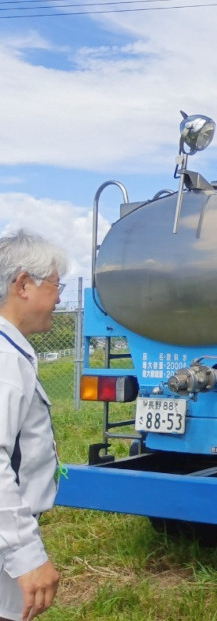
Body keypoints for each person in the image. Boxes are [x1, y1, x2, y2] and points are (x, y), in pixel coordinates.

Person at [0, 230, 65, 621]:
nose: (59, 297)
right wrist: (26, 555)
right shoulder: (5, 363)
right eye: (55, 285)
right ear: (23, 284)